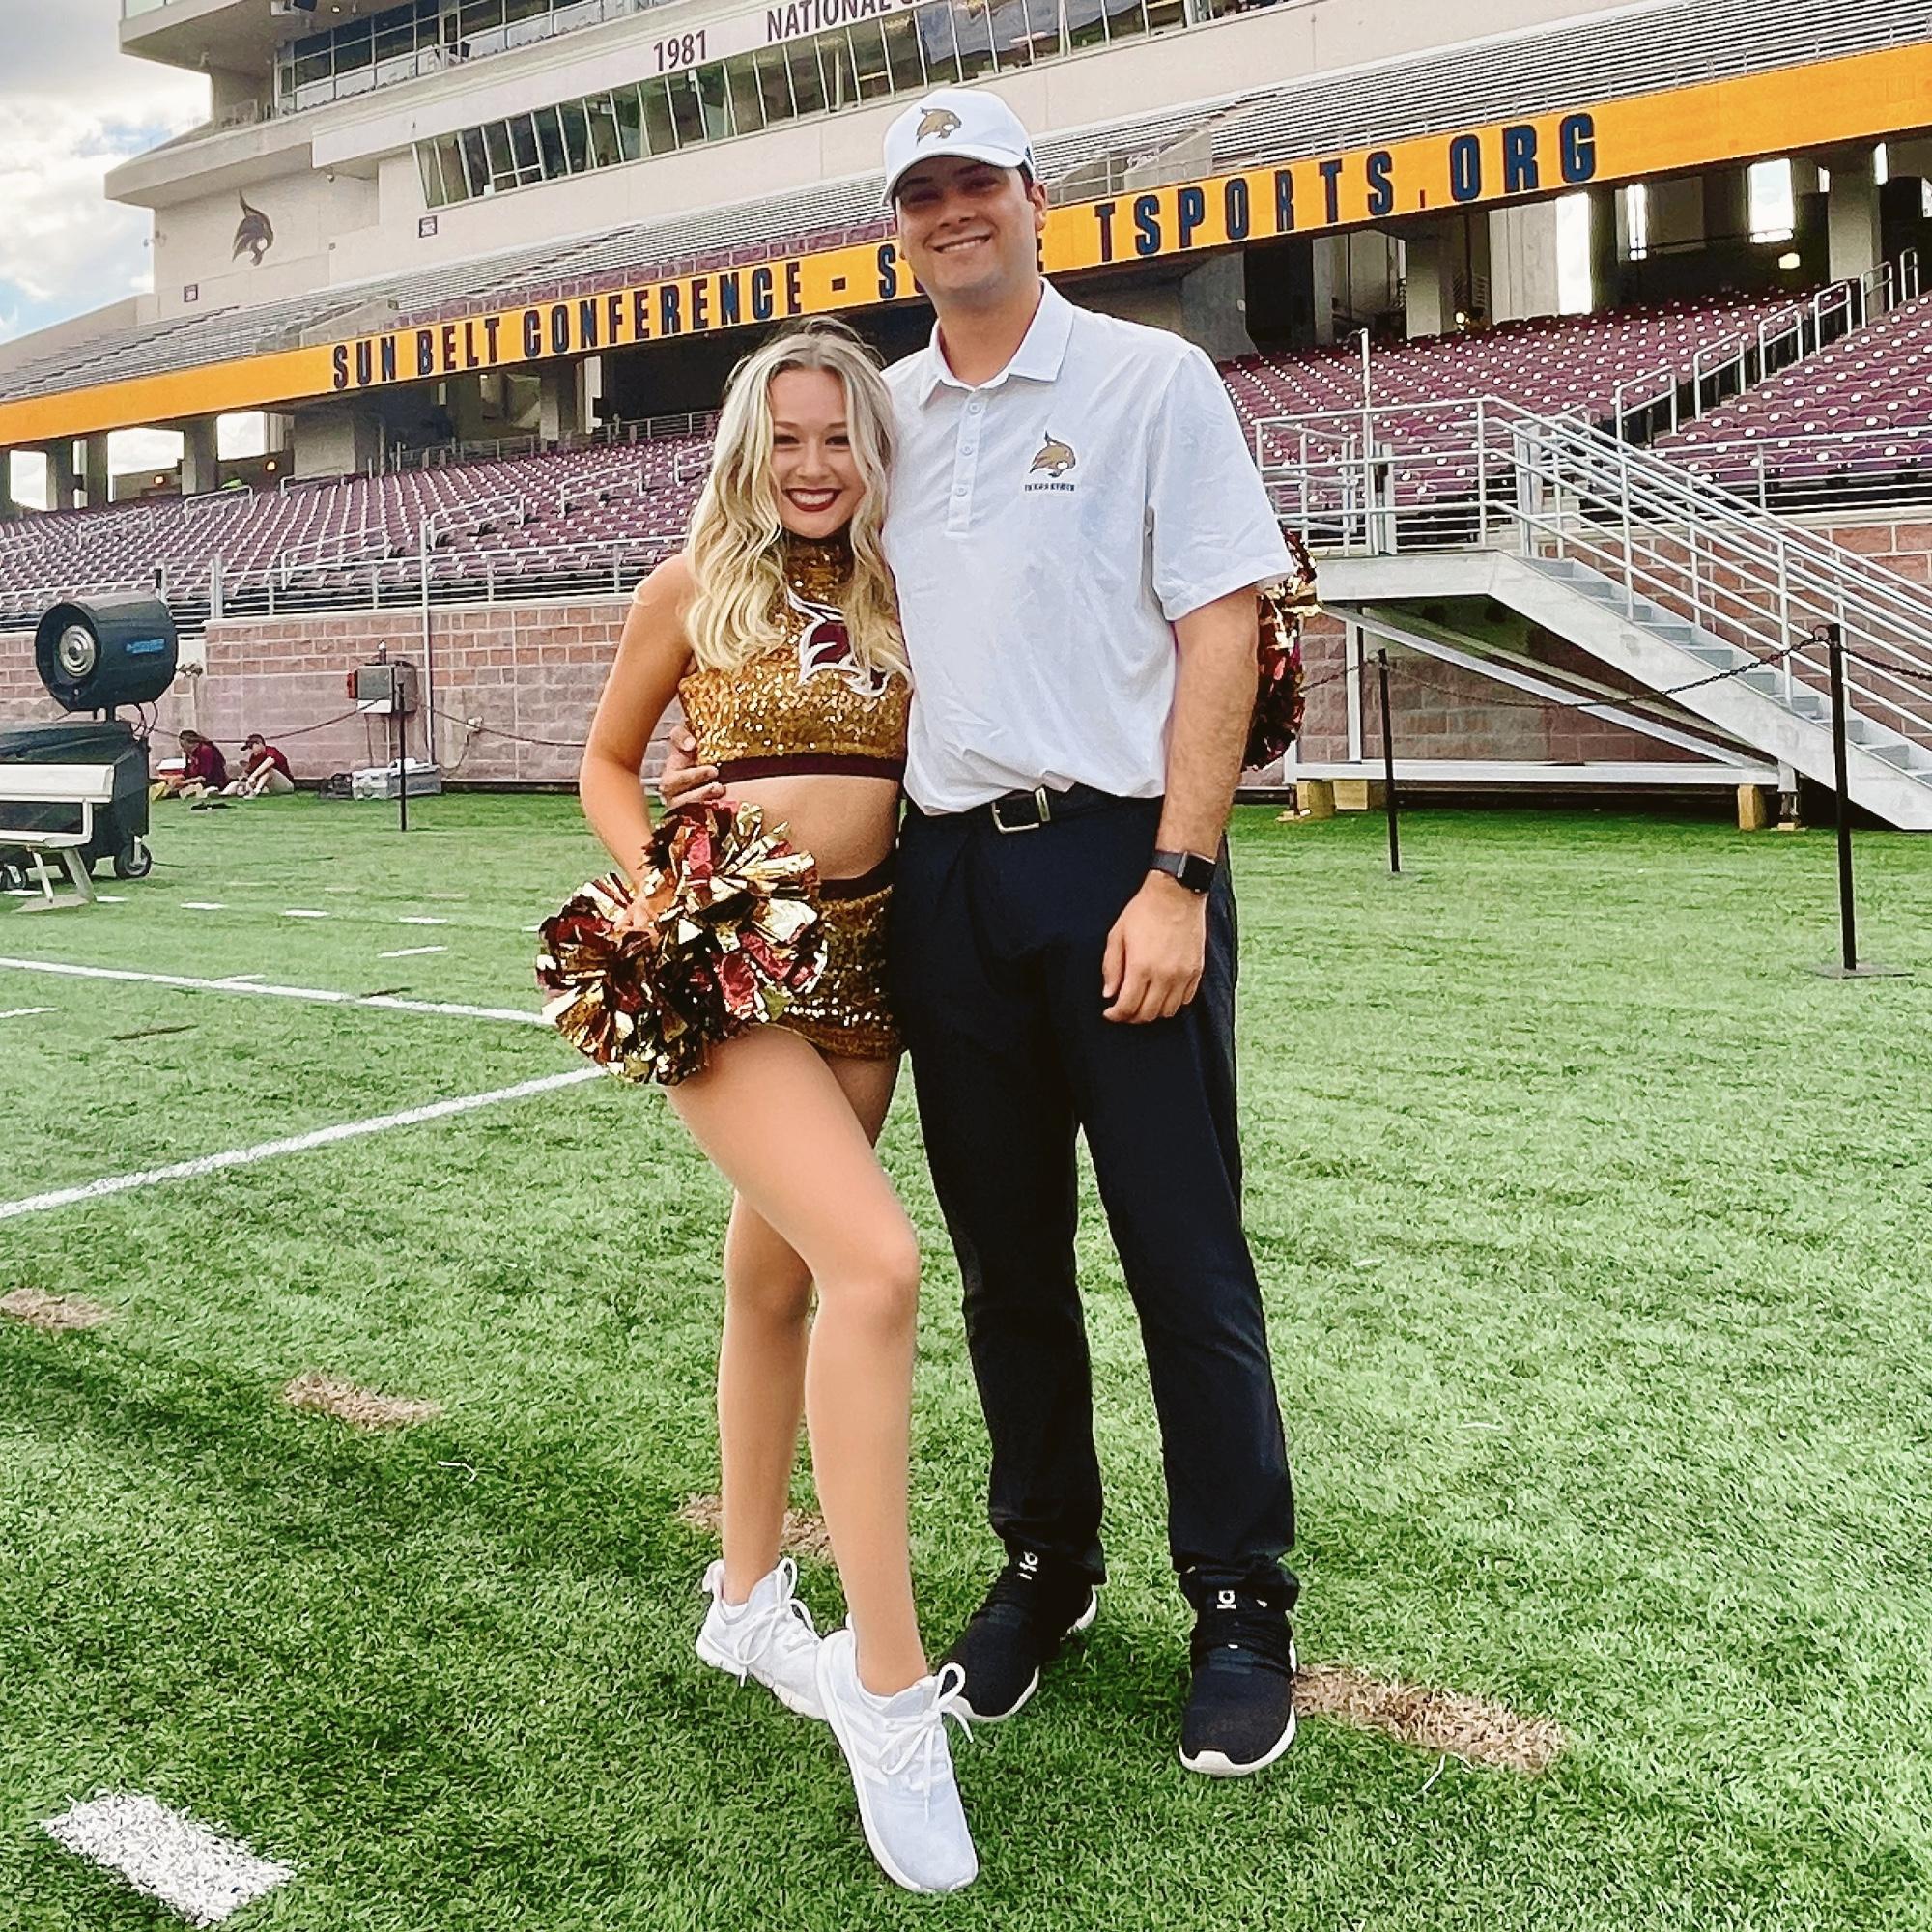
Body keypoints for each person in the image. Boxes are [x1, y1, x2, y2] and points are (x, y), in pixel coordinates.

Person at [664, 87, 1301, 1779]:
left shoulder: (1150, 381)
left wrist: (1181, 871)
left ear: (1035, 198)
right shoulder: (889, 423)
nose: (952, 212)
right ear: (900, 225)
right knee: (1006, 1259)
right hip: (946, 884)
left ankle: (1238, 1600)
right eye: (920, 194)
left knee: (1181, 1249)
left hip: (1115, 861)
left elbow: (1223, 623)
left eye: (977, 184)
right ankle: (1046, 1564)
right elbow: (768, 567)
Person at [576, 323, 978, 1895]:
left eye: (841, 438)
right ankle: (886, 1691)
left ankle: (748, 1597)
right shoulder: (687, 589)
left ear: (874, 453)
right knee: (877, 1269)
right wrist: (663, 884)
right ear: (749, 446)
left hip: (871, 973)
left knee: (779, 1277)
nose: (814, 465)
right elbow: (609, 764)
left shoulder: (905, 588)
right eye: (788, 437)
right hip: (729, 959)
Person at [154, 729, 228, 801]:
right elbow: (187, 772)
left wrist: (185, 782)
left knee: (186, 790)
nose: (182, 749)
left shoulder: (205, 751)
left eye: (183, 746)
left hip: (211, 783)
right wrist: (175, 778)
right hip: (197, 781)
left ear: (190, 744)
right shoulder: (190, 754)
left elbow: (204, 776)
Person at [222, 733, 295, 798]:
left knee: (269, 770)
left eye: (251, 747)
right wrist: (243, 780)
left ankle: (256, 792)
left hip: (286, 786)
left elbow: (270, 761)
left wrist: (253, 776)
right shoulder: (253, 758)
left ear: (259, 744)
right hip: (268, 787)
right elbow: (248, 772)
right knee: (237, 783)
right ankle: (223, 794)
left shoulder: (271, 750)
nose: (250, 750)